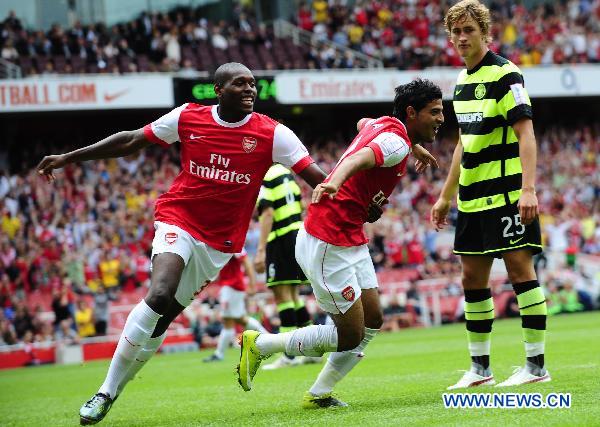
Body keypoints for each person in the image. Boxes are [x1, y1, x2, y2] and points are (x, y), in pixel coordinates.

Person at [37, 62, 328, 425]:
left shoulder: (273, 134)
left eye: (253, 84)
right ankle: (105, 391)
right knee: (159, 294)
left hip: (219, 243)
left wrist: (360, 198)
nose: (250, 90)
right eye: (240, 84)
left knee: (162, 321)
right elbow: (130, 140)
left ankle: (115, 390)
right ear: (218, 90)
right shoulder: (189, 118)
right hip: (179, 219)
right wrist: (70, 157)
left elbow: (318, 178)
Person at [236, 78, 443, 408]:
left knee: (373, 319)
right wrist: (333, 182)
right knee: (351, 334)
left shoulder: (386, 127)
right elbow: (357, 159)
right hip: (327, 242)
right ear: (411, 112)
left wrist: (414, 143)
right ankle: (261, 345)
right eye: (434, 112)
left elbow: (364, 125)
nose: (441, 118)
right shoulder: (395, 144)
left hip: (350, 238)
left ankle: (319, 393)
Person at [430, 0, 549, 389]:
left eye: (469, 30)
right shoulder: (462, 84)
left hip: (506, 193)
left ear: (485, 32)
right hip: (472, 197)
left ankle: (536, 367)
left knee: (519, 272)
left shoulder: (506, 75)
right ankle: (480, 370)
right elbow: (465, 145)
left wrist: (527, 189)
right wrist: (446, 195)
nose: (462, 38)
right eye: (456, 32)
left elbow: (526, 133)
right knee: (471, 279)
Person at [254, 164, 318, 369]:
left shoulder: (267, 176)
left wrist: (261, 249)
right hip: (297, 236)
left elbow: (268, 213)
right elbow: (300, 208)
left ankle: (289, 355)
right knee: (293, 296)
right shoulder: (289, 176)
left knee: (282, 296)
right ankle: (313, 350)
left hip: (280, 239)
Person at [203, 247, 267, 362]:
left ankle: (219, 354)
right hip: (230, 287)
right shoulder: (224, 243)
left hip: (232, 287)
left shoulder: (233, 244)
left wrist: (253, 284)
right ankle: (268, 338)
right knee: (240, 319)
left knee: (228, 320)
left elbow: (246, 262)